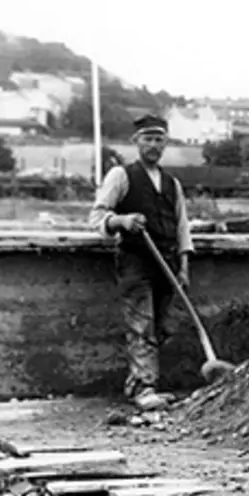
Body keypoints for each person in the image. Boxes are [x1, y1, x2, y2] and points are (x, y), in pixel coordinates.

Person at [89, 113, 193, 412]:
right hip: (136, 260)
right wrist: (120, 220)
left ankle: (139, 383)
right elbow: (96, 216)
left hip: (168, 263)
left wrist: (184, 267)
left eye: (159, 139)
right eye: (147, 138)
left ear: (166, 144)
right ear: (136, 142)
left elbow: (183, 227)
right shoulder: (121, 176)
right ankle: (146, 387)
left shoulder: (172, 184)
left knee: (161, 327)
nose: (154, 145)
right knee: (141, 325)